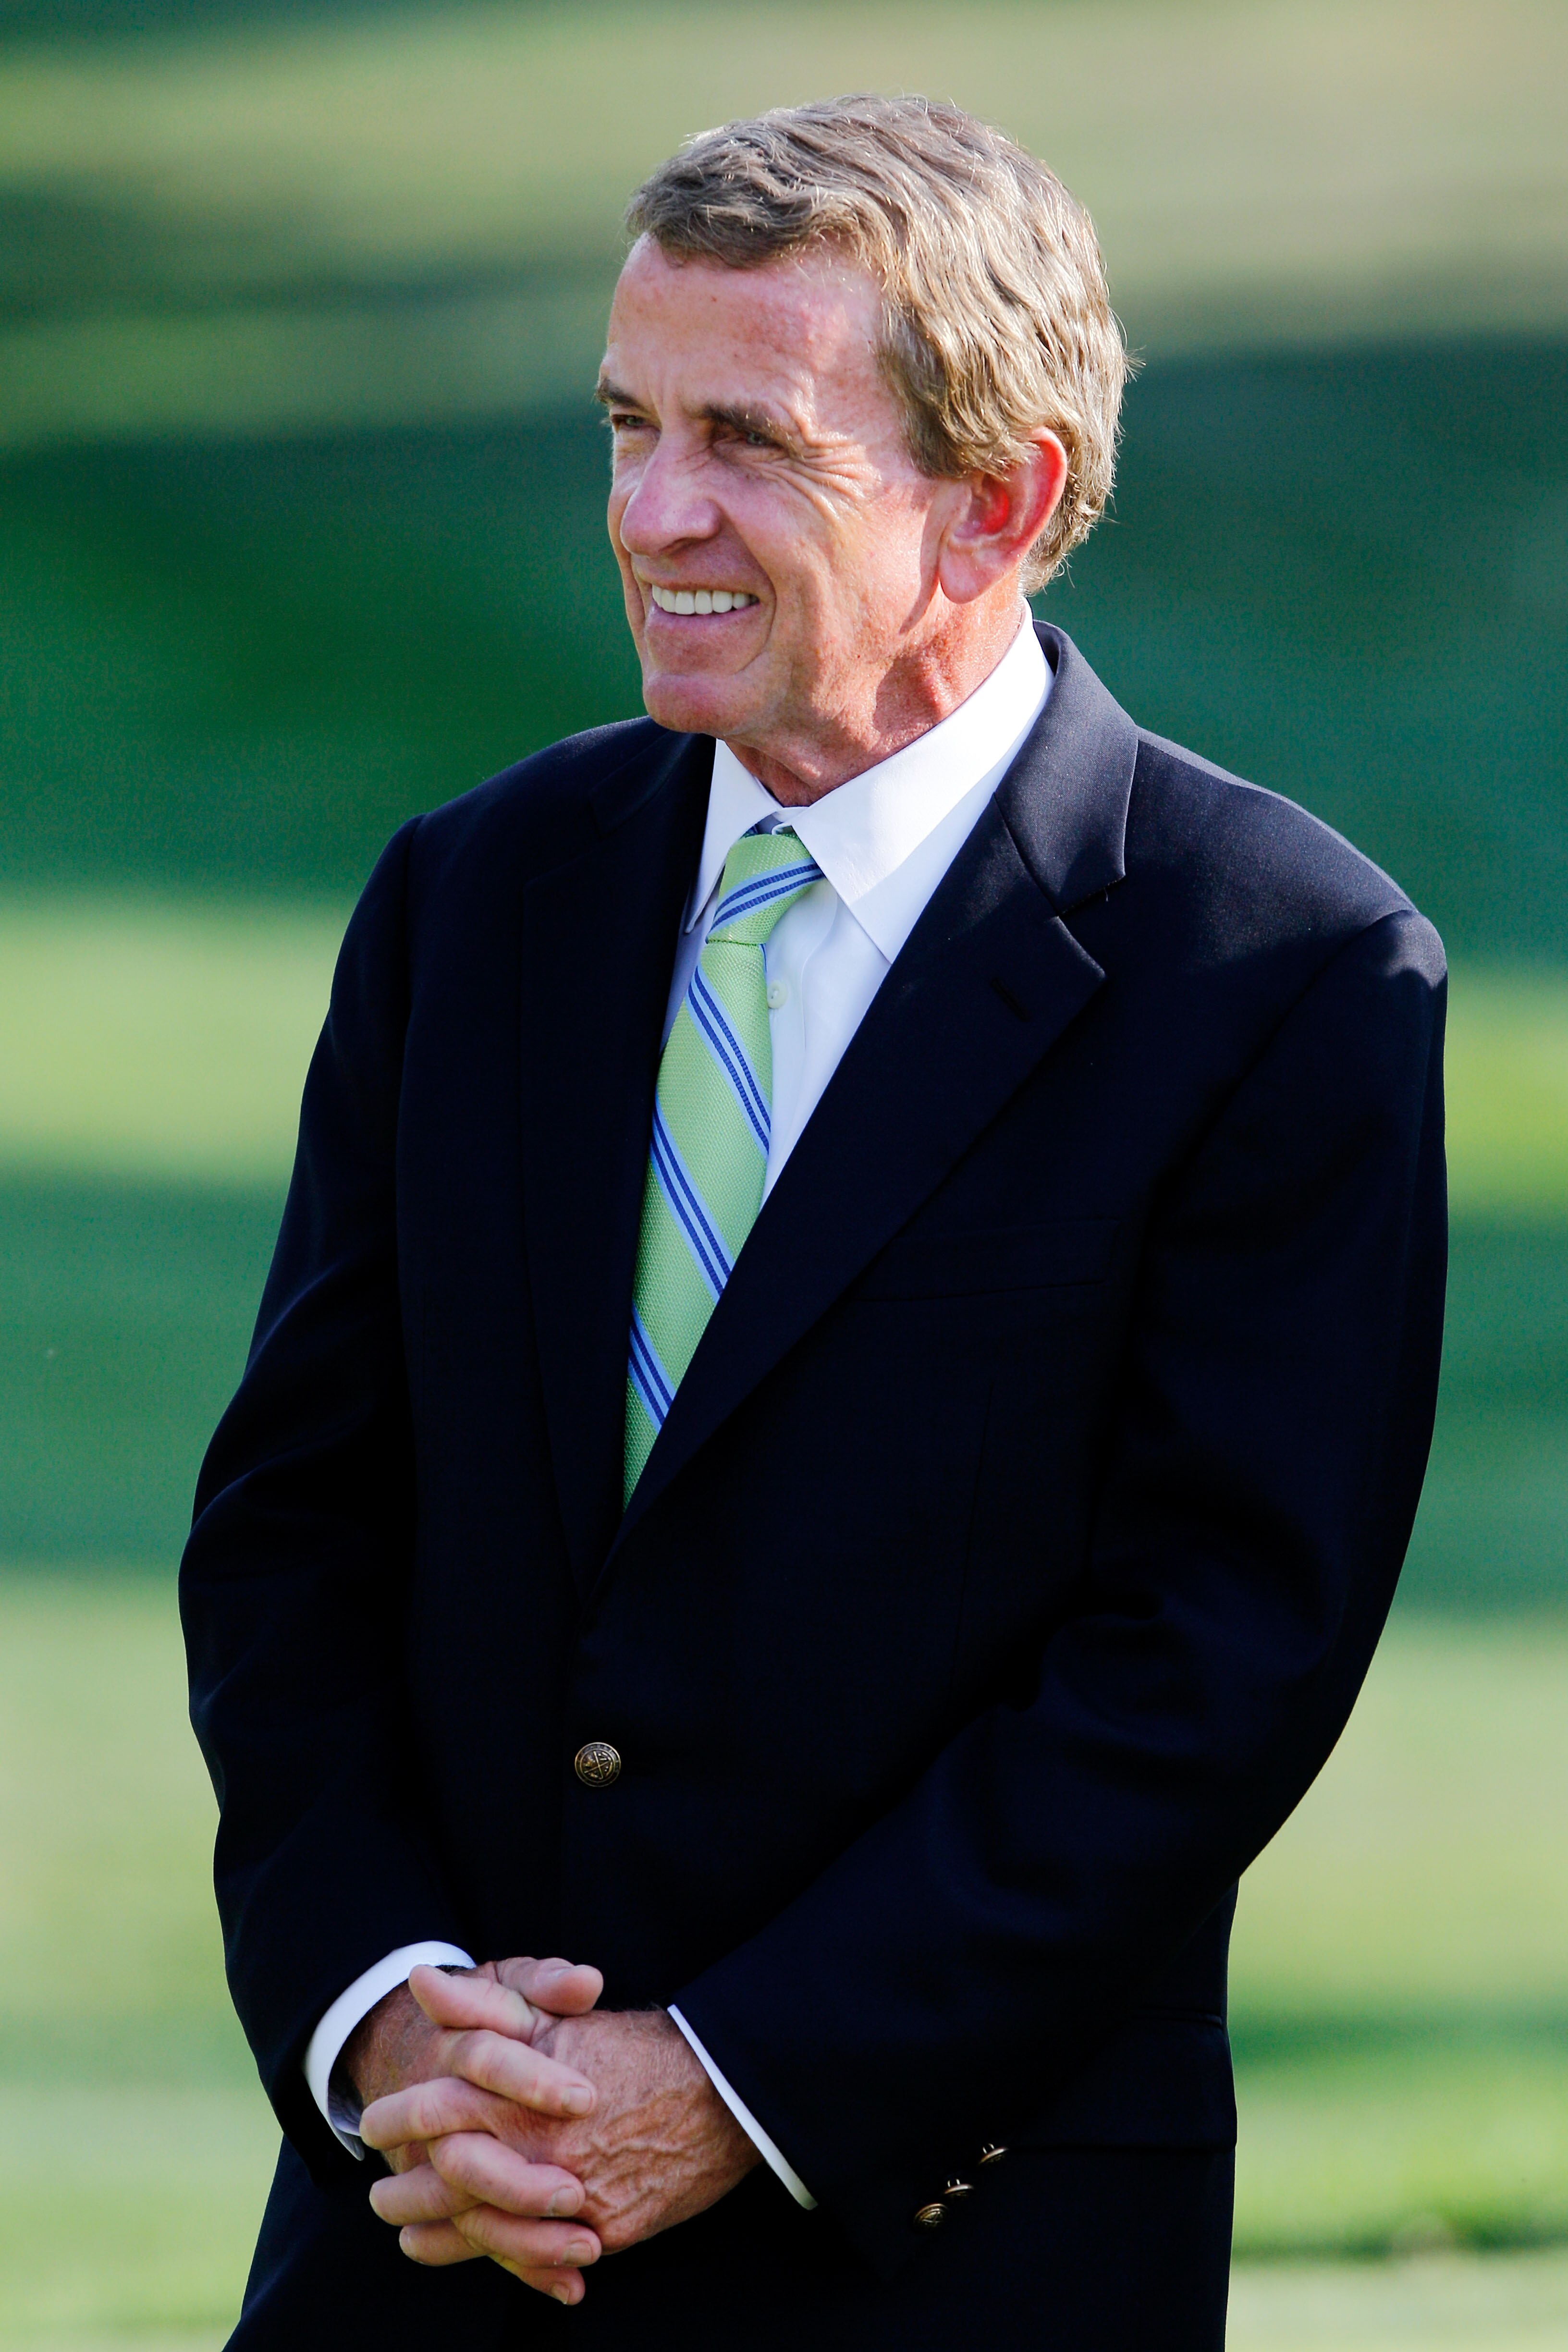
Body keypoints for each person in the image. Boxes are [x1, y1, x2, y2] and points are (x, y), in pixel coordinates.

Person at [182, 94, 1446, 2352]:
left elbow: (1206, 1678)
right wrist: (384, 2027)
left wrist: (723, 2083)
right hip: (427, 2250)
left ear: (1007, 501)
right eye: (627, 424)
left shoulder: (1280, 977)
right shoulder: (470, 900)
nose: (653, 514)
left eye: (749, 440)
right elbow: (296, 1531)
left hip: (947, 2261)